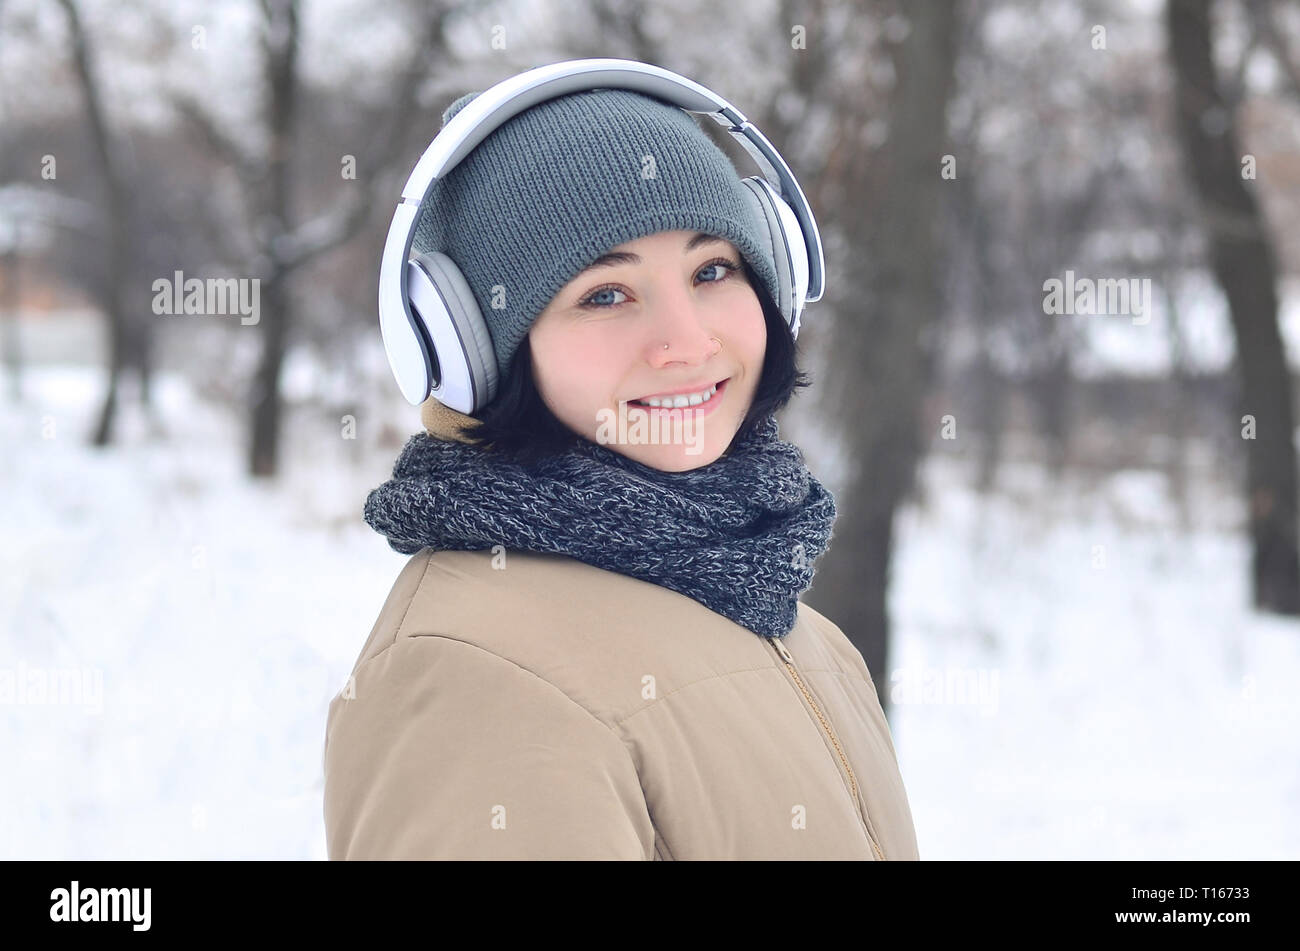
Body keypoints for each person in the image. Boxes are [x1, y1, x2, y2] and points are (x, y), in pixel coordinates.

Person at [322, 74, 920, 860]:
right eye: (605, 294)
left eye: (712, 271)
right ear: (471, 349)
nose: (687, 342)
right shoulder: (472, 679)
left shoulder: (794, 627)